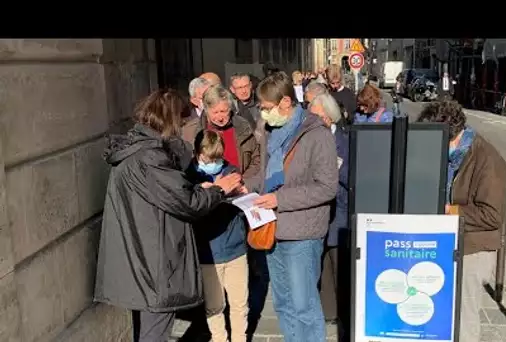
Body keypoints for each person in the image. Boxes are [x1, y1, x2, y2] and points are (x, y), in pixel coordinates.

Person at [94, 89, 243, 342]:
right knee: (155, 333)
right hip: (153, 263)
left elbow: (170, 194)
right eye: (181, 122)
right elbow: (188, 203)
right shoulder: (150, 157)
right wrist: (220, 188)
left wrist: (196, 189)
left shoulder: (137, 151)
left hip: (142, 257)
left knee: (148, 330)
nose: (183, 128)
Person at [245, 71, 338, 342]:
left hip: (302, 234)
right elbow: (265, 175)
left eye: (266, 107)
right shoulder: (270, 131)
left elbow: (326, 187)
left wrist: (279, 200)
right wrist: (246, 185)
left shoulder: (316, 133)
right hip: (272, 228)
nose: (262, 112)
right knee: (284, 304)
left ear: (286, 102)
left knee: (303, 305)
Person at [417, 100, 506, 342]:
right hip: (447, 243)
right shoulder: (450, 156)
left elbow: (491, 215)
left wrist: (451, 210)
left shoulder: (487, 159)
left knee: (464, 318)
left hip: (473, 248)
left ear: (449, 136)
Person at [185, 129, 249, 342]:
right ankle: (220, 339)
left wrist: (242, 194)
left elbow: (242, 204)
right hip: (207, 252)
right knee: (214, 305)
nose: (213, 162)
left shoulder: (230, 171)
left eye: (217, 158)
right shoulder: (189, 177)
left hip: (235, 247)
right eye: (208, 158)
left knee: (240, 303)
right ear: (197, 153)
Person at [307, 93, 349, 329]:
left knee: (339, 266)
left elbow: (351, 177)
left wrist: (333, 167)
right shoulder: (309, 139)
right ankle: (328, 312)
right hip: (314, 213)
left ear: (330, 118)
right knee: (321, 267)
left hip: (339, 212)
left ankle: (343, 313)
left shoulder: (345, 141)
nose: (314, 122)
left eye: (318, 118)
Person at [183, 77, 212, 145]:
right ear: (194, 101)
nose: (209, 100)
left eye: (210, 95)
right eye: (204, 97)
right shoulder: (186, 124)